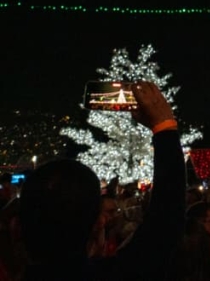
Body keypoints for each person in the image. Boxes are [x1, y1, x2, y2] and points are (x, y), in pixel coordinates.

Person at [16, 81, 185, 280]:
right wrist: (164, 126)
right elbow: (166, 221)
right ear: (99, 223)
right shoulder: (122, 274)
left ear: (16, 228)